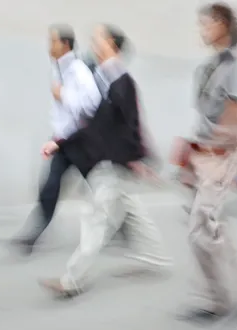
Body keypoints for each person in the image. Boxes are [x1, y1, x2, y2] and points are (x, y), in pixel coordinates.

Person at [38, 24, 171, 296]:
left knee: (95, 218)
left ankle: (71, 281)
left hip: (114, 164)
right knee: (132, 212)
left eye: (97, 39)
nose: (93, 44)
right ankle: (156, 258)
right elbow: (95, 125)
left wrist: (138, 159)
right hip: (111, 162)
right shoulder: (107, 79)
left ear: (110, 43)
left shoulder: (121, 82)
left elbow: (131, 125)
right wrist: (60, 141)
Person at [174, 2, 237, 324]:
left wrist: (230, 159)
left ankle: (223, 297)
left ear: (223, 24)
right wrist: (191, 156)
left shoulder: (235, 64)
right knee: (211, 225)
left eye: (206, 23)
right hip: (203, 154)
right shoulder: (211, 66)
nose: (202, 29)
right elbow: (204, 116)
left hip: (220, 156)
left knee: (200, 230)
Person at [0, 24, 102, 255]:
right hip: (64, 142)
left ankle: (124, 225)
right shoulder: (58, 67)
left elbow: (92, 104)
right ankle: (32, 237)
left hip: (81, 143)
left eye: (53, 41)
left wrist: (63, 95)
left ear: (65, 44)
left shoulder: (77, 69)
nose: (49, 45)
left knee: (102, 189)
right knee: (50, 186)